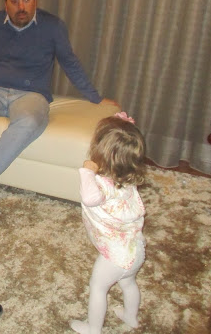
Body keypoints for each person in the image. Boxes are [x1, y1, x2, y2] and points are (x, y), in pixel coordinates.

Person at [0, 0, 120, 217]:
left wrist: (96, 98)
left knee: (29, 121)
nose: (21, 7)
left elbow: (70, 62)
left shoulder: (52, 26)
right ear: (6, 4)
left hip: (31, 94)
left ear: (35, 1)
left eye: (26, 0)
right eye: (14, 1)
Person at [70, 112, 146, 334]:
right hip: (136, 248)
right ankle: (130, 317)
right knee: (128, 283)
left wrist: (87, 171)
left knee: (97, 287)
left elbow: (89, 198)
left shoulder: (101, 186)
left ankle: (93, 328)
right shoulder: (127, 180)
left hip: (115, 257)